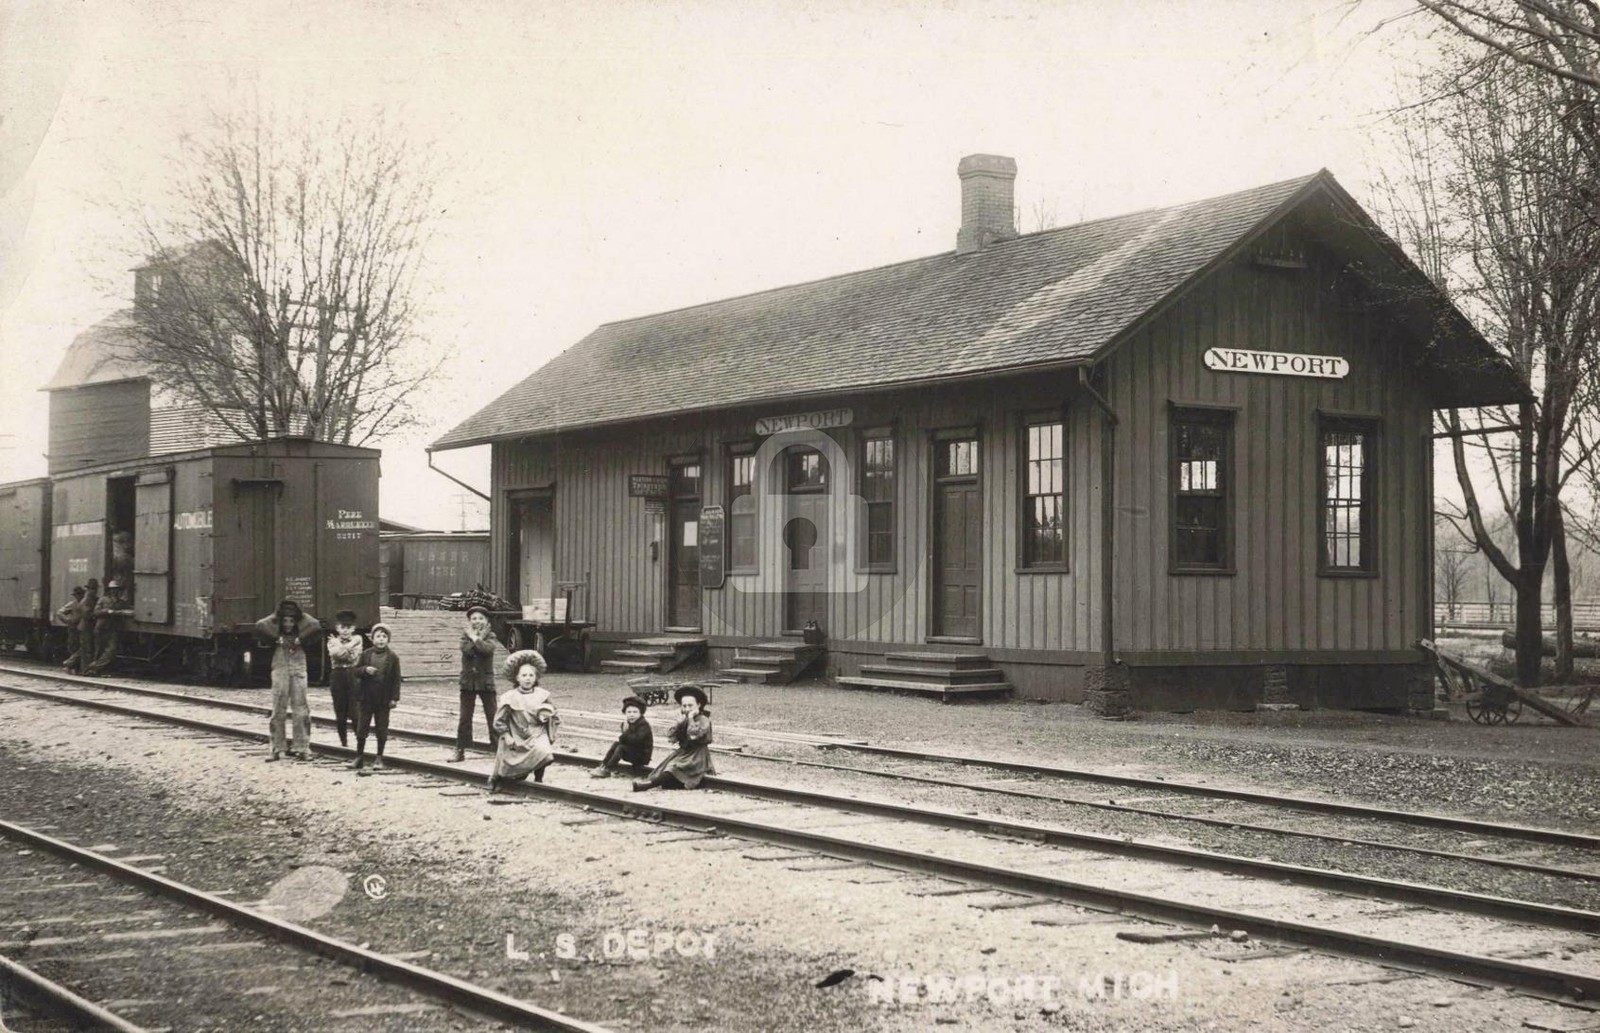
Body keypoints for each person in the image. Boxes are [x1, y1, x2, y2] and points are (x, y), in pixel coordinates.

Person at [253, 599, 321, 762]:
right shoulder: (278, 634)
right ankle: (277, 748)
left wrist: (302, 638)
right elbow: (261, 625)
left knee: (301, 708)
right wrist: (276, 637)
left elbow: (315, 625)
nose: (288, 624)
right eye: (285, 620)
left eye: (292, 620)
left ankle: (302, 747)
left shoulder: (301, 631)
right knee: (278, 708)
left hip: (296, 668)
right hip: (281, 667)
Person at [488, 649, 556, 792]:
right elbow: (499, 720)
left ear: (536, 677)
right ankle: (510, 777)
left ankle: (538, 780)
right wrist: (506, 735)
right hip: (516, 733)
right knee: (510, 761)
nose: (527, 678)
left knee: (544, 752)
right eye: (523, 675)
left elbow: (553, 712)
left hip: (537, 732)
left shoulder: (542, 695)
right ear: (517, 678)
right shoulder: (510, 697)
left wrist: (547, 715)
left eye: (531, 675)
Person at [633, 685, 715, 791]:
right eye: (684, 706)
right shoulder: (684, 720)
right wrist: (678, 724)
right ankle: (660, 782)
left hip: (697, 755)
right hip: (684, 752)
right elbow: (672, 738)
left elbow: (693, 735)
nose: (687, 709)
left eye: (690, 706)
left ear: (699, 705)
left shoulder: (703, 720)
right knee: (665, 767)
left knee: (673, 768)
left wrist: (690, 718)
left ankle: (647, 786)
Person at [450, 605, 504, 763]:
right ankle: (460, 750)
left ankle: (498, 751)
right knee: (465, 718)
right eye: (474, 619)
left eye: (481, 618)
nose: (477, 621)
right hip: (468, 682)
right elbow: (467, 650)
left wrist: (475, 638)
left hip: (486, 682)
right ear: (469, 621)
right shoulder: (464, 636)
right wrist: (474, 640)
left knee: (493, 716)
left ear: (487, 621)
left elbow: (487, 650)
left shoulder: (492, 636)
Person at [350, 622, 402, 771]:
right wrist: (365, 670)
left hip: (383, 700)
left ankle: (379, 757)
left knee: (381, 728)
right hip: (366, 697)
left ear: (388, 639)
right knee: (362, 727)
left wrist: (394, 698)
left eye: (384, 636)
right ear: (372, 639)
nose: (381, 639)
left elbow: (396, 679)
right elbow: (355, 671)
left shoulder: (393, 657)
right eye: (378, 636)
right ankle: (359, 756)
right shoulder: (366, 654)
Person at [591, 695, 654, 778]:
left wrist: (625, 732)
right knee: (616, 744)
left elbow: (635, 740)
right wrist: (625, 732)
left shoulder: (643, 725)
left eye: (635, 712)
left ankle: (608, 769)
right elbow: (624, 741)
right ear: (625, 713)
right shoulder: (628, 723)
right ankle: (604, 765)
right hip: (633, 751)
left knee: (621, 748)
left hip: (641, 756)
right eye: (629, 712)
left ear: (641, 713)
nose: (632, 715)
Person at [326, 610, 364, 748]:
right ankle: (344, 742)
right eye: (342, 627)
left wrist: (341, 647)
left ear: (353, 628)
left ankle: (360, 741)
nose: (345, 631)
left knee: (355, 711)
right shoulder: (332, 642)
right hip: (337, 676)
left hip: (353, 675)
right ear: (337, 628)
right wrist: (349, 648)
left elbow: (355, 657)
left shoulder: (358, 638)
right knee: (340, 711)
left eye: (348, 627)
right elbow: (336, 654)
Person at [81, 581, 133, 677]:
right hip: (101, 628)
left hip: (113, 628)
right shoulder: (103, 600)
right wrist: (108, 611)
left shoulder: (121, 602)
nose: (115, 592)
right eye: (113, 590)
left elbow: (126, 610)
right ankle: (96, 671)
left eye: (117, 590)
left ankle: (92, 668)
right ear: (110, 591)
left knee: (112, 650)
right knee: (99, 650)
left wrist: (126, 612)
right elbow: (96, 612)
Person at [57, 586, 87, 672]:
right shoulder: (72, 604)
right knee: (73, 647)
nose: (79, 596)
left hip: (81, 628)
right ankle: (72, 666)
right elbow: (60, 612)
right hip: (73, 628)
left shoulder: (85, 603)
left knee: (81, 647)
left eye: (80, 594)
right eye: (77, 594)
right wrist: (67, 620)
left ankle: (71, 664)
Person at [74, 578, 100, 676]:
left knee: (88, 649)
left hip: (88, 627)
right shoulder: (86, 600)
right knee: (86, 649)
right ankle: (85, 670)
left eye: (95, 589)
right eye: (92, 589)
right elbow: (86, 613)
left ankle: (86, 669)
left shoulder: (92, 599)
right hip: (85, 627)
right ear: (89, 589)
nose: (94, 591)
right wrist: (95, 614)